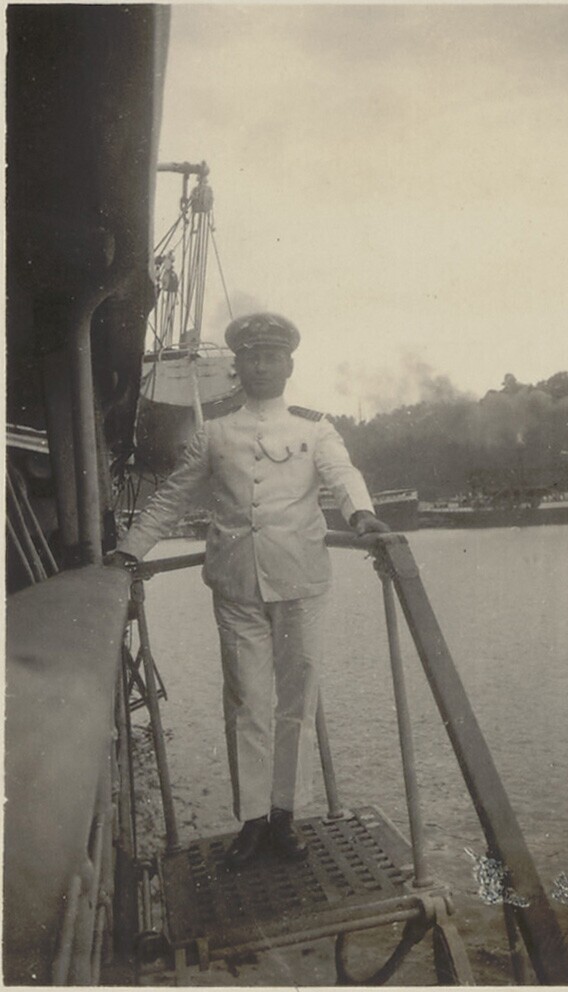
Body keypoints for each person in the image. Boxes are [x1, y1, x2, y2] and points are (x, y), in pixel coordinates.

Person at [109, 312, 389, 869]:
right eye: (253, 357)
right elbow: (172, 497)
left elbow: (342, 474)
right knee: (246, 703)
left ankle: (284, 816)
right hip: (237, 586)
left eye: (272, 357)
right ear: (238, 365)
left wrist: (361, 516)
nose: (262, 366)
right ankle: (252, 820)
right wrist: (130, 550)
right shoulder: (215, 433)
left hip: (301, 583)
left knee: (296, 703)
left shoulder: (315, 428)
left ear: (289, 366)